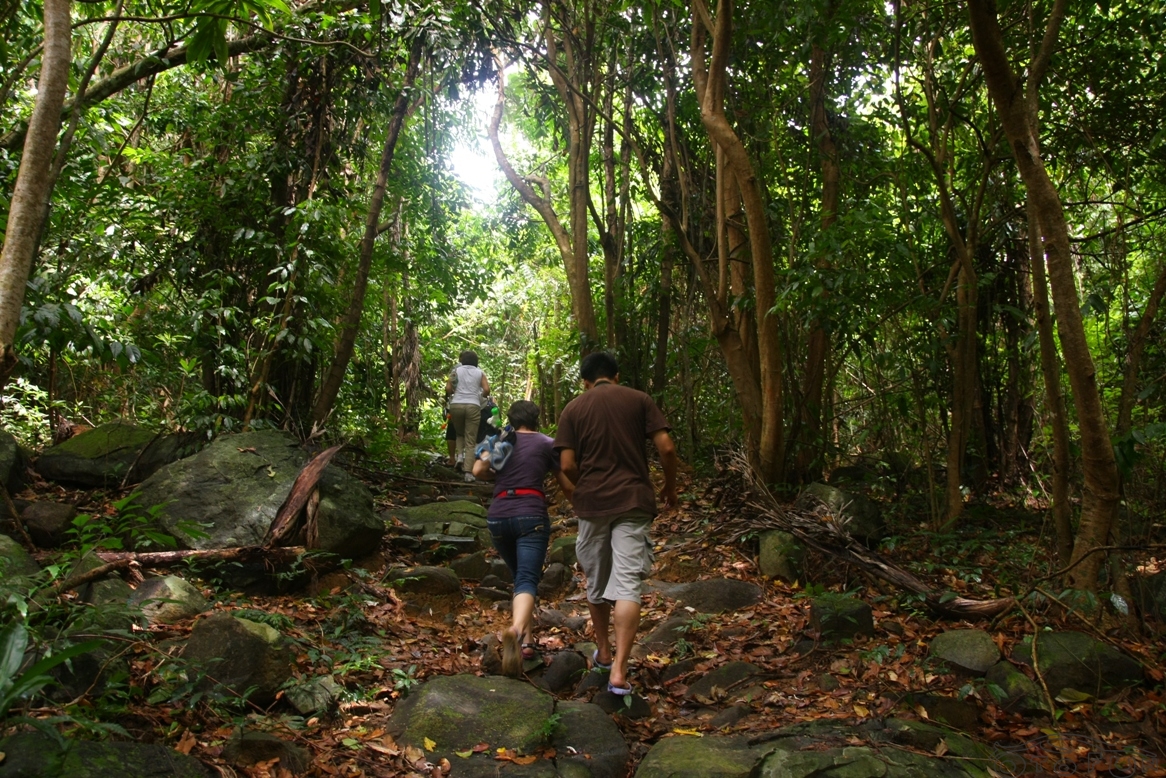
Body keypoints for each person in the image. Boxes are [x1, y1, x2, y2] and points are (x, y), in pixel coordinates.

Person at [554, 351, 678, 696]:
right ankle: (620, 671)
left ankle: (604, 652)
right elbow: (666, 448)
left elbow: (565, 465)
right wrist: (669, 486)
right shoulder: (639, 399)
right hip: (634, 501)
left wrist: (586, 486)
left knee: (596, 578)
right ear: (617, 376)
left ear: (586, 381)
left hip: (593, 504)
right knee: (627, 585)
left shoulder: (574, 409)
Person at [472, 400, 574, 677]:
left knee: (520, 578)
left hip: (498, 517)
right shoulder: (547, 443)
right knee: (528, 579)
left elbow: (478, 471)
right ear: (536, 418)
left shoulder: (499, 439)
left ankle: (528, 644)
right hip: (531, 516)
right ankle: (516, 631)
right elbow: (564, 482)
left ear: (511, 419)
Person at [445, 350, 490, 483]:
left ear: (462, 360)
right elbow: (486, 390)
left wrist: (454, 393)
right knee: (470, 440)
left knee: (459, 433)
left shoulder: (455, 371)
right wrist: (481, 396)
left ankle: (459, 457)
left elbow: (448, 388)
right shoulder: (480, 373)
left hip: (456, 405)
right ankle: (468, 473)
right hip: (473, 406)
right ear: (476, 361)